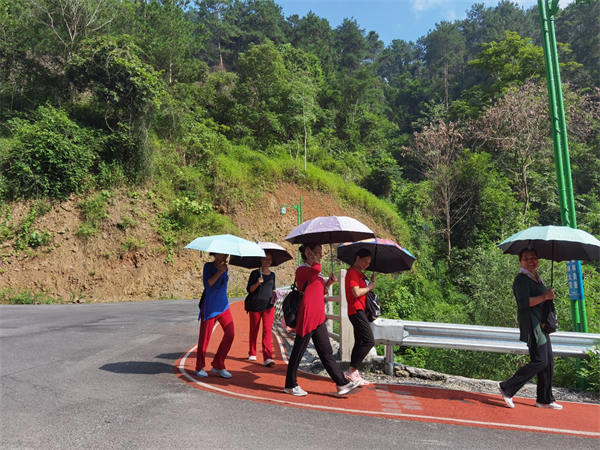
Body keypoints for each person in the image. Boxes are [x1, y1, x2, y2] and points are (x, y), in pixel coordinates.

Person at [284, 243, 361, 397]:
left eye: (321, 252)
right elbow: (316, 270)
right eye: (317, 252)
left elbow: (319, 291)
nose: (320, 255)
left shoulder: (314, 271)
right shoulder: (303, 269)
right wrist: (313, 259)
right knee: (298, 351)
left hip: (318, 316)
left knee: (326, 351)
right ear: (307, 252)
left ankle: (341, 383)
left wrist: (329, 283)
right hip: (308, 314)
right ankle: (290, 385)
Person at [498, 248, 562, 410]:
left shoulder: (537, 279)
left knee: (547, 363)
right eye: (526, 258)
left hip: (541, 325)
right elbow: (523, 303)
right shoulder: (521, 280)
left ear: (538, 260)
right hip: (532, 326)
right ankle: (507, 387)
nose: (530, 261)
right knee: (540, 361)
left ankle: (544, 399)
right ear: (520, 261)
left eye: (533, 257)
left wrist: (548, 297)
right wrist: (545, 296)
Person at [194, 253, 235, 379]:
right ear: (215, 254)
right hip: (211, 306)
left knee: (230, 334)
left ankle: (218, 364)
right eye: (221, 252)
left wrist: (223, 271)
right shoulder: (208, 266)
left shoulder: (225, 267)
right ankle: (199, 367)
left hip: (224, 306)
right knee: (205, 338)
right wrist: (219, 272)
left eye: (225, 253)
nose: (224, 255)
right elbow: (208, 285)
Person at [344, 248, 376, 385]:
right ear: (357, 258)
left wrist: (370, 283)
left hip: (360, 310)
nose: (366, 265)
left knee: (360, 342)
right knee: (369, 341)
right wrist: (369, 287)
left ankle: (354, 372)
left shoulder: (360, 274)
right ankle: (351, 370)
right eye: (364, 262)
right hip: (355, 310)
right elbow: (356, 292)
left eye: (369, 263)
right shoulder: (352, 273)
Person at [245, 251, 276, 366]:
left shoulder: (272, 275)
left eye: (270, 259)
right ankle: (252, 352)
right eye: (266, 259)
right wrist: (258, 283)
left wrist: (276, 293)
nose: (268, 261)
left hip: (269, 306)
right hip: (255, 306)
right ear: (261, 260)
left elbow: (272, 288)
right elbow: (250, 290)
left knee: (267, 331)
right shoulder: (254, 274)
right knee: (254, 330)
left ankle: (267, 357)